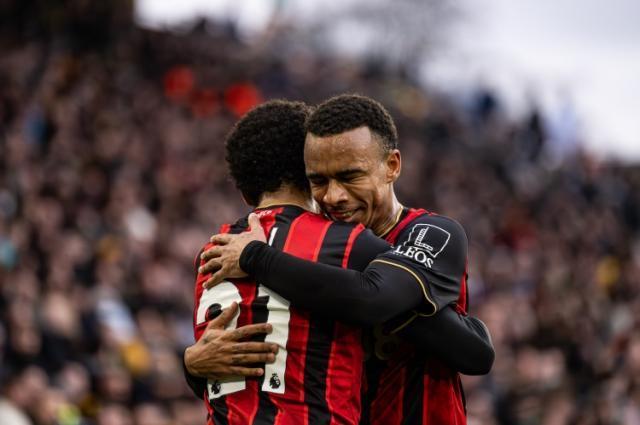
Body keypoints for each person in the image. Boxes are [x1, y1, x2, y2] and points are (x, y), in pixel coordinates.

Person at [199, 94, 490, 424]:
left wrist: (255, 257)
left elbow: (373, 300)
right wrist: (194, 365)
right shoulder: (308, 250)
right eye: (319, 181)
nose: (333, 196)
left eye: (350, 177)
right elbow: (262, 370)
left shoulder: (432, 233)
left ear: (392, 166)